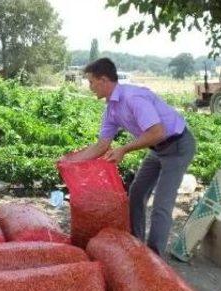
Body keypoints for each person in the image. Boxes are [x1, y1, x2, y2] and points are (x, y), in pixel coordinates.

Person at [64, 57, 196, 257]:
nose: (89, 87)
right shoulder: (111, 109)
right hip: (157, 148)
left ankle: (154, 258)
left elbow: (158, 131)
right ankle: (137, 244)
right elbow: (102, 145)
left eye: (91, 82)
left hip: (177, 146)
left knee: (161, 204)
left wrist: (124, 149)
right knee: (136, 193)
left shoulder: (133, 98)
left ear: (104, 80)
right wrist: (70, 161)